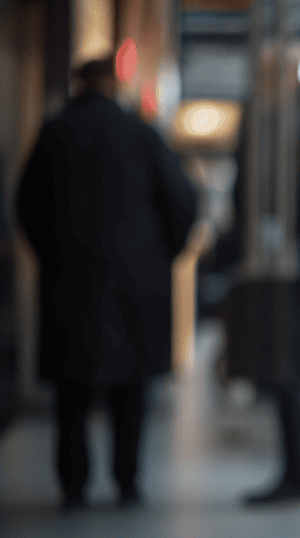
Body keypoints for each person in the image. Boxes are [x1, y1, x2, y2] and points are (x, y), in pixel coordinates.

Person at [16, 58, 197, 510]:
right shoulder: (141, 133)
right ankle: (127, 482)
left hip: (69, 283)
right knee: (132, 391)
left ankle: (73, 485)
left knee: (71, 393)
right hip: (137, 285)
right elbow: (182, 201)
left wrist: (52, 258)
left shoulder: (54, 133)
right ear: (117, 84)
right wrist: (161, 259)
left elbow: (26, 206)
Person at [222, 83, 300, 506]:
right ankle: (293, 472)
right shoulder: (291, 137)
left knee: (288, 373)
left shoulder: (296, 138)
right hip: (283, 265)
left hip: (290, 267)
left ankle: (295, 474)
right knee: (281, 371)